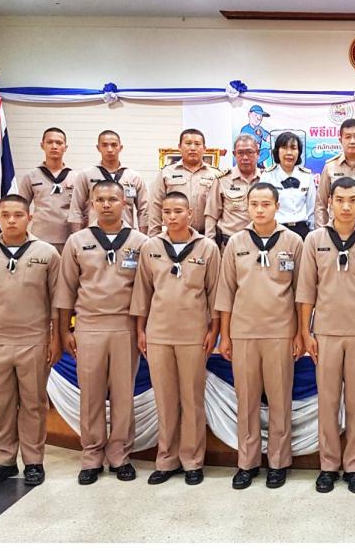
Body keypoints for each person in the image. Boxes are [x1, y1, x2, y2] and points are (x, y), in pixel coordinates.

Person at [297, 177, 355, 494]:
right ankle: (328, 466)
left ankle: (353, 467)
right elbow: (306, 291)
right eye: (340, 200)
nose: (346, 206)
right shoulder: (315, 240)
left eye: (353, 200)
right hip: (325, 332)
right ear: (330, 203)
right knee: (327, 401)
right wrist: (305, 332)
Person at [0, 194, 62, 488]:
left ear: (30, 217)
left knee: (33, 404)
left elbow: (58, 303)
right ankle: (3, 461)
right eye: (5, 215)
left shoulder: (47, 253)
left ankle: (33, 461)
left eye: (18, 215)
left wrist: (55, 339)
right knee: (1, 404)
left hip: (34, 340)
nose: (12, 220)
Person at [55, 180, 149, 485]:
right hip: (89, 327)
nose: (106, 204)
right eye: (100, 199)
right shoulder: (77, 242)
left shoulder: (140, 242)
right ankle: (92, 454)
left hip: (125, 327)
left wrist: (141, 329)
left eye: (112, 199)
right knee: (91, 394)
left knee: (123, 394)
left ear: (124, 203)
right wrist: (65, 330)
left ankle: (120, 454)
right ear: (91, 204)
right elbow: (66, 290)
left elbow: (146, 291)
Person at [215, 182, 305, 489]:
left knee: (279, 399)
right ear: (247, 207)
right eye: (254, 204)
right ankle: (248, 462)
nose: (260, 209)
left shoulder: (293, 241)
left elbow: (301, 293)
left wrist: (300, 333)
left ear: (277, 206)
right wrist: (225, 336)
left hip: (280, 331)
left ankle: (278, 462)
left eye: (266, 204)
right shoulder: (236, 242)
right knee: (247, 400)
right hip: (244, 332)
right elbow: (226, 292)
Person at [129, 192, 220, 487]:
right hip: (158, 333)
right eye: (167, 211)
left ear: (190, 213)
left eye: (178, 211)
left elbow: (214, 292)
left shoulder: (207, 248)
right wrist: (141, 330)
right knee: (165, 399)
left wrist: (214, 330)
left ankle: (192, 461)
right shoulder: (151, 247)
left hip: (194, 333)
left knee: (192, 399)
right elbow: (143, 292)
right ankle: (167, 459)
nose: (172, 216)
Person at [145, 128, 222, 237]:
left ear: (204, 148)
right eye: (188, 143)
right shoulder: (166, 173)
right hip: (174, 236)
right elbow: (155, 206)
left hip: (207, 236)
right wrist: (154, 236)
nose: (193, 148)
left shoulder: (216, 175)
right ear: (179, 147)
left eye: (197, 144)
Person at [68, 130, 149, 234]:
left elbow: (144, 211)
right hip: (94, 235)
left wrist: (143, 238)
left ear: (120, 147)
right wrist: (77, 238)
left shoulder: (134, 177)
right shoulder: (86, 175)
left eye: (114, 145)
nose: (110, 149)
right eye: (105, 145)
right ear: (98, 148)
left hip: (125, 236)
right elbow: (76, 209)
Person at [16, 127, 75, 253]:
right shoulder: (31, 176)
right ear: (42, 145)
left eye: (59, 143)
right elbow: (20, 209)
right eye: (49, 142)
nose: (54, 146)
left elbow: (82, 211)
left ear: (65, 147)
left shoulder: (76, 177)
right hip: (39, 238)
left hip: (68, 238)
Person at [205, 134, 262, 248]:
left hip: (260, 244)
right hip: (229, 245)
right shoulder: (222, 179)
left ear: (258, 153)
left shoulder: (266, 178)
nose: (245, 157)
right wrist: (210, 244)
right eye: (240, 153)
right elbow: (211, 215)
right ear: (234, 154)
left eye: (250, 152)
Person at [260, 132, 316, 239]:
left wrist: (313, 234)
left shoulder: (307, 176)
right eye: (284, 148)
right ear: (277, 151)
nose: (289, 152)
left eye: (293, 148)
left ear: (299, 152)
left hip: (302, 231)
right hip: (276, 231)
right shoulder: (267, 176)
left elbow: (312, 210)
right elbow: (263, 208)